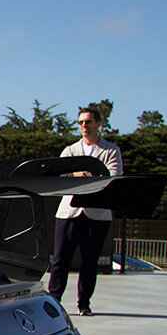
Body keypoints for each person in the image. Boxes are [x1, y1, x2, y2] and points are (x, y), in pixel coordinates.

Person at [47, 107, 124, 316]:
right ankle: (54, 301)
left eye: (88, 122)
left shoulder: (111, 150)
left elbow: (113, 177)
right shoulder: (70, 150)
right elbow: (59, 175)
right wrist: (80, 174)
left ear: (99, 124)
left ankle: (84, 304)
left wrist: (86, 177)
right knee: (60, 260)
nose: (84, 126)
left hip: (97, 214)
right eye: (81, 122)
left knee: (90, 261)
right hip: (69, 213)